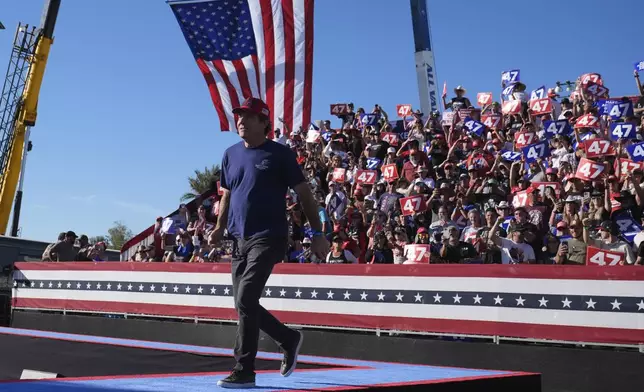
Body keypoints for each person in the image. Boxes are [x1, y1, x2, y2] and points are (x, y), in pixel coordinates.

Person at [210, 97, 329, 388]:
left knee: (246, 298)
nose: (241, 120)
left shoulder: (280, 154)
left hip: (269, 235)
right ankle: (288, 338)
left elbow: (304, 194)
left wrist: (318, 233)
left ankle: (244, 369)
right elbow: (227, 194)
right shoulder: (230, 154)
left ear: (264, 123)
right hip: (238, 238)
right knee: (244, 305)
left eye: (249, 116)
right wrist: (218, 227)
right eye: (239, 115)